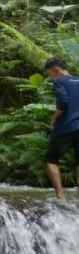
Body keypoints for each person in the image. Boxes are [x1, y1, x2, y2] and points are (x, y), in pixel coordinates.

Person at [43, 57, 79, 200]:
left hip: (66, 126)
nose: (50, 78)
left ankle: (61, 196)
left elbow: (63, 102)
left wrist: (53, 118)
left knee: (51, 159)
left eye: (49, 74)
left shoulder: (59, 81)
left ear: (56, 70)